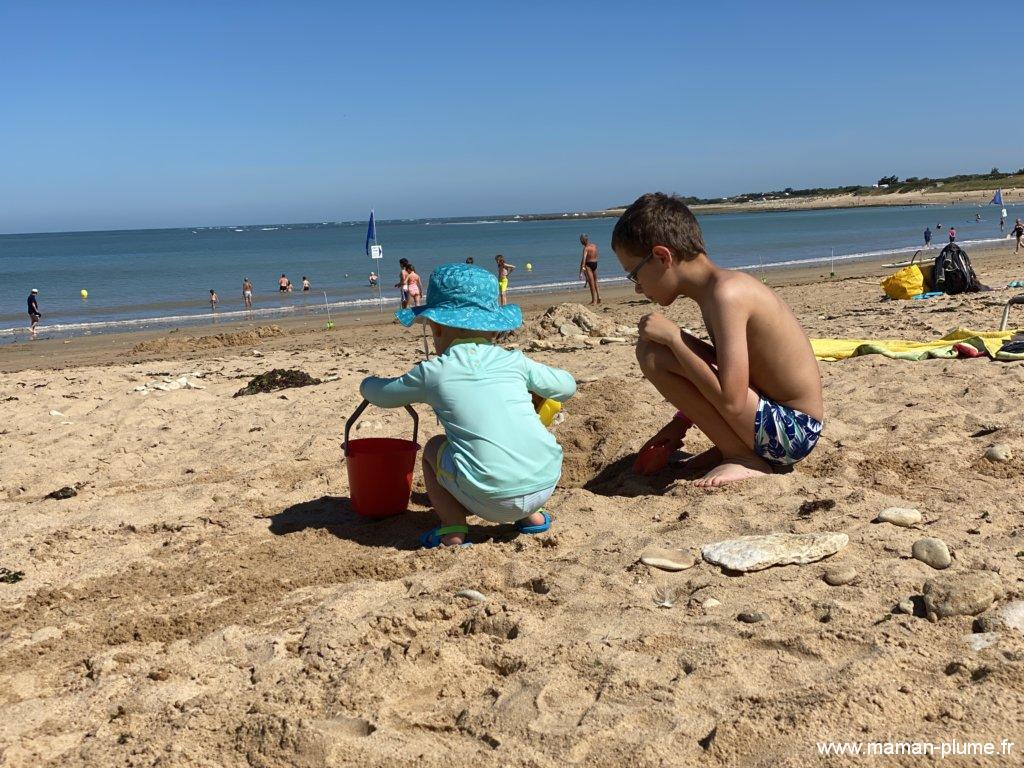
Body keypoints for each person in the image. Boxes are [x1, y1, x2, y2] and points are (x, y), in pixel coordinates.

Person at [613, 192, 823, 487]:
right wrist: (680, 423)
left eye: (633, 274)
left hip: (793, 432)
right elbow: (727, 370)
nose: (637, 288)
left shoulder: (728, 295)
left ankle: (744, 457)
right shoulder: (716, 291)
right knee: (654, 349)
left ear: (662, 256)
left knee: (655, 351)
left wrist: (675, 338)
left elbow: (733, 398)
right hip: (776, 420)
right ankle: (735, 450)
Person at [360, 263, 576, 547]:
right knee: (517, 440)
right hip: (545, 482)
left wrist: (366, 383)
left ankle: (452, 529)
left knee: (434, 448)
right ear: (493, 329)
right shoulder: (515, 361)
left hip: (489, 498)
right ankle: (531, 517)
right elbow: (567, 386)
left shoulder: (434, 371)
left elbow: (383, 395)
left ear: (435, 329)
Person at [578, 234, 601, 305]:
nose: (580, 242)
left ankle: (593, 301)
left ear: (583, 241)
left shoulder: (586, 248)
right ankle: (599, 296)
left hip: (589, 265)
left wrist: (582, 270)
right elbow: (597, 254)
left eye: (581, 241)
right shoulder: (594, 246)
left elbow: (584, 259)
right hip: (595, 263)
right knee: (595, 282)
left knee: (591, 283)